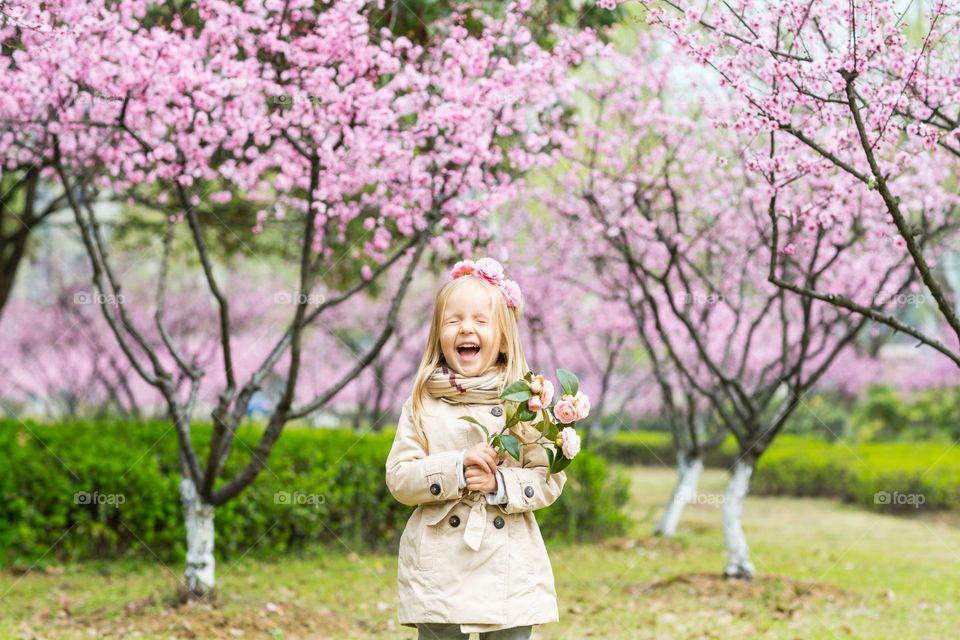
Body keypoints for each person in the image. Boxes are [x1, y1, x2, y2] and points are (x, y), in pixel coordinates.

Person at [385, 257, 567, 639]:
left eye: (480, 321)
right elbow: (400, 477)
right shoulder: (422, 402)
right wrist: (455, 469)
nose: (466, 328)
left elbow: (548, 478)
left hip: (508, 563)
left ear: (502, 338)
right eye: (453, 321)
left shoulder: (526, 403)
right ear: (439, 336)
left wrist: (501, 484)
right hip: (439, 562)